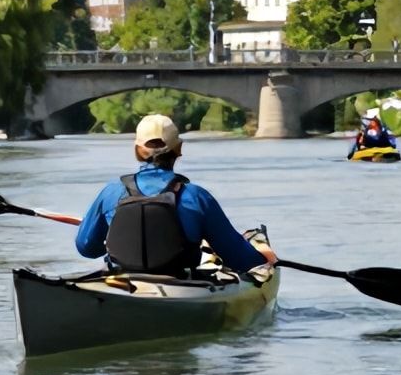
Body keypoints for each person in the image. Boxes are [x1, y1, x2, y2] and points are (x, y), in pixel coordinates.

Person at [75, 114, 276, 276]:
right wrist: (264, 257)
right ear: (178, 149)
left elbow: (86, 248)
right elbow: (239, 259)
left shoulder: (111, 193)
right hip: (183, 285)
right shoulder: (197, 197)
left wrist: (115, 239)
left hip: (122, 284)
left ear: (137, 150)